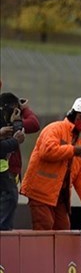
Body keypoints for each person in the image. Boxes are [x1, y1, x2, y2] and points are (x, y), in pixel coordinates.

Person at [20, 97, 81, 230]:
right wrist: (72, 150)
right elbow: (47, 151)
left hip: (59, 197)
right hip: (40, 192)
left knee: (63, 231)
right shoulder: (55, 129)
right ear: (73, 114)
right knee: (44, 228)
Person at [0, 93, 27, 230]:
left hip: (4, 170)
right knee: (10, 197)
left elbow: (33, 124)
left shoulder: (4, 121)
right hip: (3, 172)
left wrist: (15, 121)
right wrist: (15, 141)